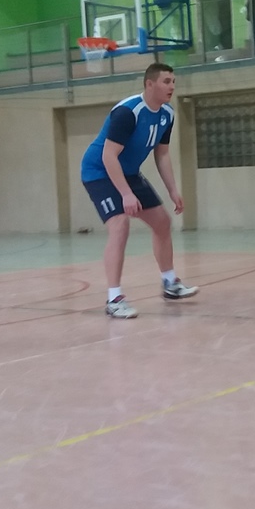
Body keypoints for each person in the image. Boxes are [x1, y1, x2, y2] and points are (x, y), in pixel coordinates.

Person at [80, 63, 198, 318]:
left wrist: (173, 190)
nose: (172, 86)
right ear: (149, 84)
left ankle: (169, 283)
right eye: (166, 81)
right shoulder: (128, 112)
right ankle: (114, 299)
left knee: (162, 222)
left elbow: (162, 154)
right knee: (120, 225)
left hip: (129, 173)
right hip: (99, 171)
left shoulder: (167, 114)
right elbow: (108, 156)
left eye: (173, 81)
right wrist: (126, 194)